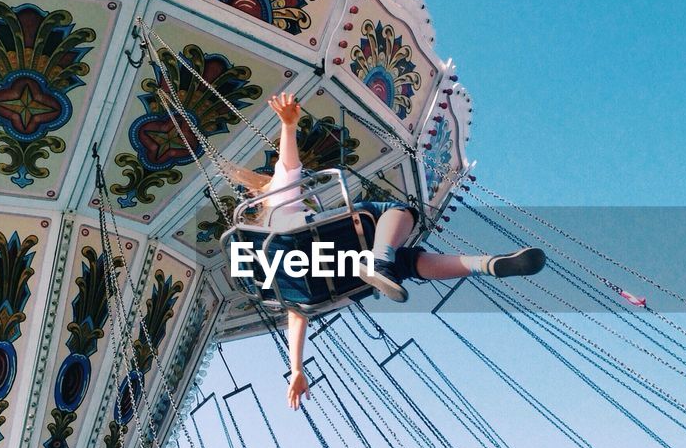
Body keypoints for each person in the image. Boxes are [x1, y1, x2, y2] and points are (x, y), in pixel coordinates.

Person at [227, 93, 546, 409]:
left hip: (327, 283)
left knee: (403, 265)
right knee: (396, 213)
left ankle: (477, 265)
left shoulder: (268, 252)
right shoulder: (279, 199)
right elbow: (288, 164)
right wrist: (288, 125)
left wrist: (296, 367)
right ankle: (411, 261)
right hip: (327, 242)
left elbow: (296, 311)